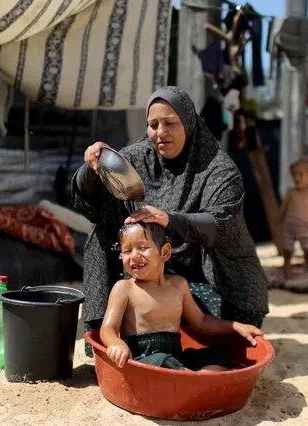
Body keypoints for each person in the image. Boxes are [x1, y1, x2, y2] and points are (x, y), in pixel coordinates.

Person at [71, 86, 269, 357]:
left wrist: (170, 220)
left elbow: (221, 225)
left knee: (222, 347)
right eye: (153, 125)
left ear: (188, 123)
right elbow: (92, 205)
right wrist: (91, 169)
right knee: (102, 230)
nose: (160, 133)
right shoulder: (137, 158)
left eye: (170, 123)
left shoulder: (219, 169)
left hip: (205, 276)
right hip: (148, 270)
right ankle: (104, 341)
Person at [100, 222, 263, 370]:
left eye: (142, 248)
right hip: (144, 361)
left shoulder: (178, 285)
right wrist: (116, 343)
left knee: (219, 354)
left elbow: (201, 321)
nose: (134, 256)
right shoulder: (124, 288)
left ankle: (197, 380)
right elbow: (108, 328)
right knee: (163, 361)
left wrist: (235, 326)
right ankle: (196, 381)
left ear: (165, 252)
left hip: (177, 358)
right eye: (127, 251)